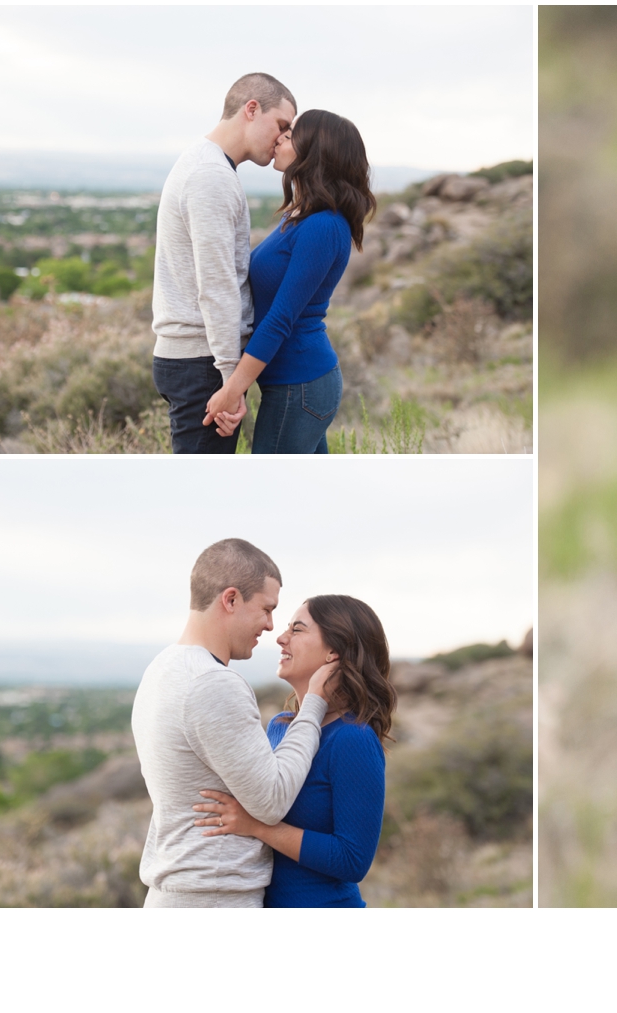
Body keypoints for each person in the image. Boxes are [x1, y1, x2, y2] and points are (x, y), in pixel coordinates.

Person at [131, 538, 336, 908]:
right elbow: (272, 801)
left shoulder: (160, 670)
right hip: (212, 898)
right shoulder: (212, 682)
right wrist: (314, 705)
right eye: (266, 609)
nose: (272, 626)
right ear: (230, 599)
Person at [191, 595, 395, 907]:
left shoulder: (353, 739)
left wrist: (258, 827)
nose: (281, 638)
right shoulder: (279, 726)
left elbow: (353, 860)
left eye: (297, 630)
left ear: (334, 652)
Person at [202, 110, 375, 453]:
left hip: (301, 386)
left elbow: (281, 319)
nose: (280, 137)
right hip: (293, 384)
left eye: (291, 133)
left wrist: (234, 388)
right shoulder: (303, 217)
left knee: (271, 497)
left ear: (316, 150)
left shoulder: (323, 226)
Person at [152, 73, 296, 454]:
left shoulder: (208, 165)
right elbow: (216, 286)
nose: (283, 139)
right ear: (252, 109)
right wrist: (231, 379)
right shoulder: (211, 176)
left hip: (200, 359)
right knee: (201, 497)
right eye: (281, 125)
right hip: (203, 363)